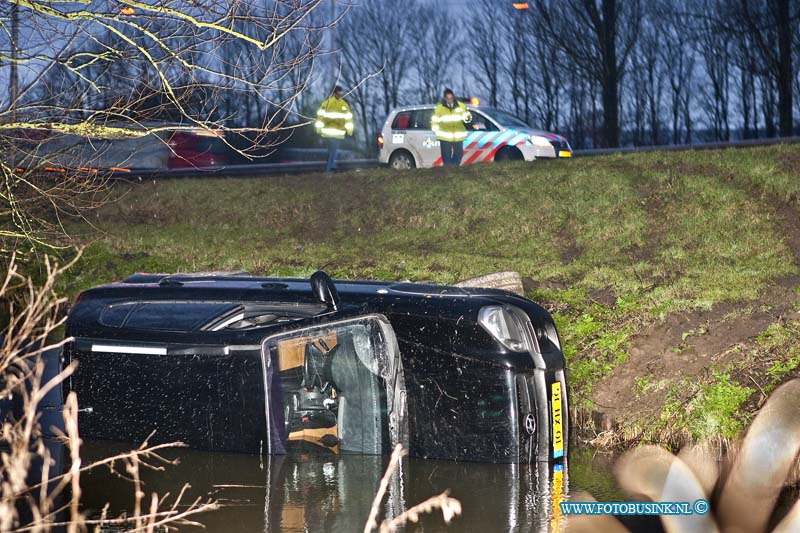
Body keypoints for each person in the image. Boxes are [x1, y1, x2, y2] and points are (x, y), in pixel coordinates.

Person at [315, 86, 354, 172]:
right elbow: (320, 118)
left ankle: (331, 166)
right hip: (333, 133)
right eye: (339, 93)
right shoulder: (340, 105)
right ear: (334, 93)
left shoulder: (328, 103)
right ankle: (330, 168)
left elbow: (348, 119)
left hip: (332, 133)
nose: (340, 95)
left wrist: (318, 131)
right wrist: (350, 132)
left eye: (341, 93)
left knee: (332, 151)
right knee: (332, 151)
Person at [431, 88, 472, 166]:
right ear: (445, 98)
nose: (450, 100)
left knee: (459, 154)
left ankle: (454, 168)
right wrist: (435, 130)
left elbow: (467, 118)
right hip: (444, 135)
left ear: (453, 97)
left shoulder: (461, 106)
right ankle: (448, 170)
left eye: (451, 98)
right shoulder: (439, 108)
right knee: (446, 156)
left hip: (458, 135)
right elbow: (434, 120)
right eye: (448, 98)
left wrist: (468, 117)